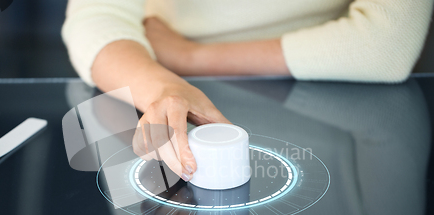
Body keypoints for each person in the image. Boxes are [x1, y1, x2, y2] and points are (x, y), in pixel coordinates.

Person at [62, 0, 433, 182]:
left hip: (342, 87)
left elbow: (387, 46)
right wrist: (164, 85)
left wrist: (192, 58)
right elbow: (95, 19)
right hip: (155, 72)